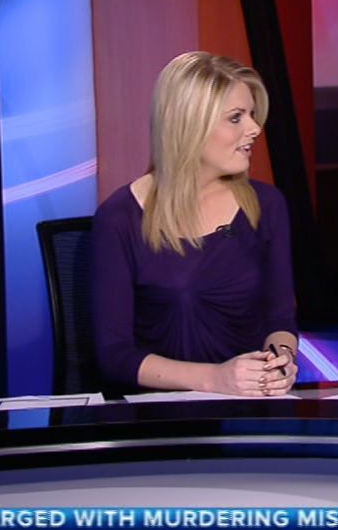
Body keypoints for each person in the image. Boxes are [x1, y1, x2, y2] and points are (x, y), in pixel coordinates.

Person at [92, 52, 298, 396]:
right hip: (160, 414)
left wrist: (282, 360)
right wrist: (215, 379)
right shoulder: (118, 219)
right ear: (189, 125)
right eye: (236, 118)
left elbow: (280, 320)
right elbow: (114, 355)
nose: (254, 129)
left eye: (251, 115)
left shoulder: (267, 204)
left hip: (250, 406)